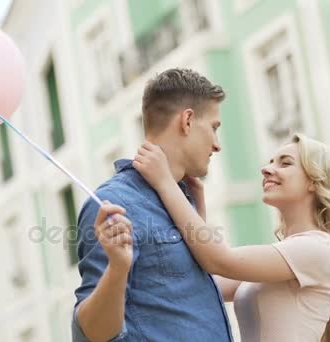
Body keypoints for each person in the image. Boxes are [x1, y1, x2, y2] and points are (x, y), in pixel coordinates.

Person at [133, 133, 330, 341]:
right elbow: (202, 286)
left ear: (315, 181)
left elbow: (220, 260)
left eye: (285, 163)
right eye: (271, 161)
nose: (266, 169)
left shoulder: (318, 249)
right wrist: (196, 208)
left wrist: (165, 183)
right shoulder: (285, 257)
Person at [71, 68, 234, 341]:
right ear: (188, 121)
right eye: (214, 128)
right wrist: (117, 269)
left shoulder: (183, 201)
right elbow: (90, 334)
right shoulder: (115, 204)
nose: (217, 145)